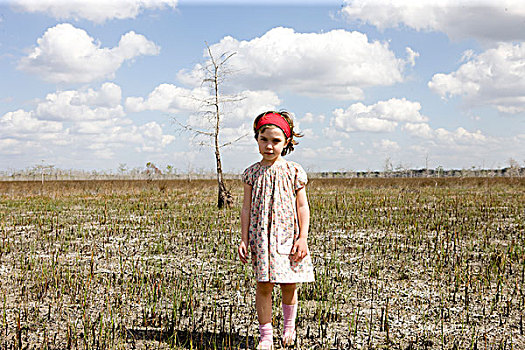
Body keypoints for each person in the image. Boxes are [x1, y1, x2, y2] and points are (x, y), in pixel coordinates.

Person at [238, 111, 315, 349]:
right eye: (264, 139)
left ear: (287, 142)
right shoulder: (252, 173)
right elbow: (246, 208)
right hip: (260, 239)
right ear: (257, 139)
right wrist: (243, 239)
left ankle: (289, 329)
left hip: (288, 238)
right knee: (263, 285)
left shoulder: (293, 171)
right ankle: (266, 336)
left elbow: (303, 206)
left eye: (276, 140)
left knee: (289, 285)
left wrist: (303, 238)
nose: (269, 146)